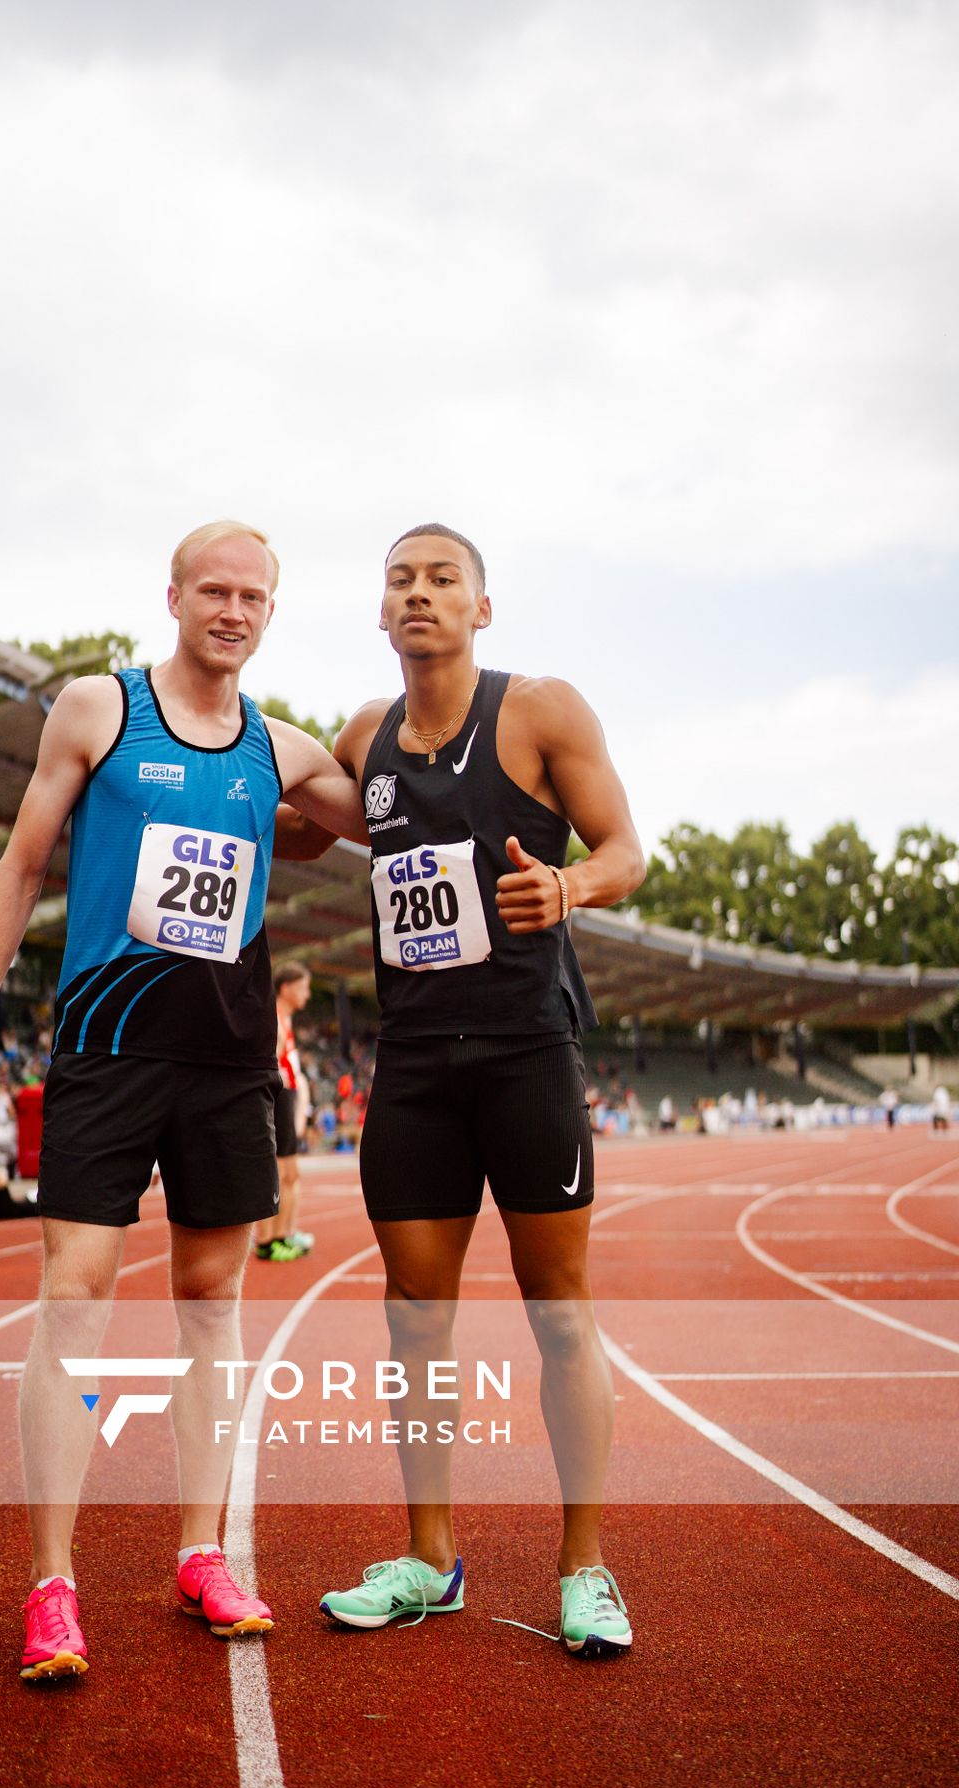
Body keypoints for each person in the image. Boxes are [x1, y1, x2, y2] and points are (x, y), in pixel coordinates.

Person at [0, 519, 364, 1681]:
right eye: (214, 590)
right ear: (173, 596)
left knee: (212, 1308)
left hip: (228, 1062)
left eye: (254, 597)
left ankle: (199, 1553)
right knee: (73, 1295)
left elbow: (366, 819)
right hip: (105, 1051)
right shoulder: (98, 709)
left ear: (271, 614)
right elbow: (21, 867)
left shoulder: (277, 748)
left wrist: (388, 737)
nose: (233, 610)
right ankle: (51, 1582)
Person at [299, 524, 646, 1655]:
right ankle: (430, 1557)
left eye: (441, 580)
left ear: (479, 609)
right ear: (379, 609)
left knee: (559, 1314)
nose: (418, 595)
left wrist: (570, 882)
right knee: (414, 1320)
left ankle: (583, 1566)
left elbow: (626, 850)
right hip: (411, 1066)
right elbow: (309, 833)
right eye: (399, 580)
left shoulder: (540, 710)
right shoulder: (365, 735)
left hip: (523, 1052)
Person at [254, 963, 315, 1262]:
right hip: (277, 1098)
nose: (308, 993)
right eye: (303, 986)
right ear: (286, 987)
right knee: (279, 1174)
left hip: (285, 1098)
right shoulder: (275, 1022)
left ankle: (283, 1235)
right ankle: (270, 1240)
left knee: (290, 1174)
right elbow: (270, 1071)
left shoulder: (285, 1021)